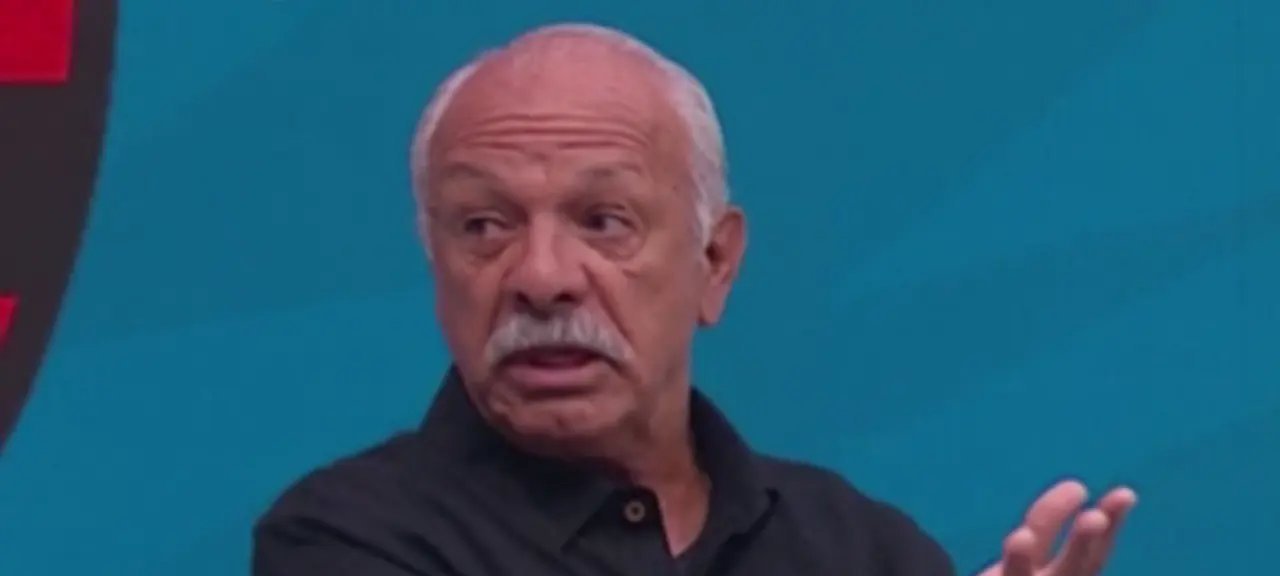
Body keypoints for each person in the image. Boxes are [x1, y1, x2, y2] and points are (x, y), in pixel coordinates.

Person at [252, 23, 1138, 576]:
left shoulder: (860, 549)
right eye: (485, 226)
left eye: (604, 221)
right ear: (436, 264)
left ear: (715, 262)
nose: (541, 276)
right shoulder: (345, 540)